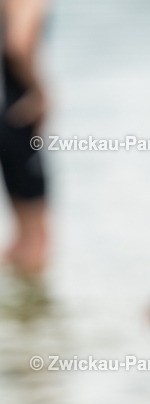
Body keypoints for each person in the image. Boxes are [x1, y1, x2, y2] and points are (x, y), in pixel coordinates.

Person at [0, 0, 49, 275]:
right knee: (36, 235)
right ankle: (33, 314)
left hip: (7, 116)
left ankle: (17, 309)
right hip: (20, 118)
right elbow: (17, 45)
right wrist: (40, 92)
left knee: (20, 235)